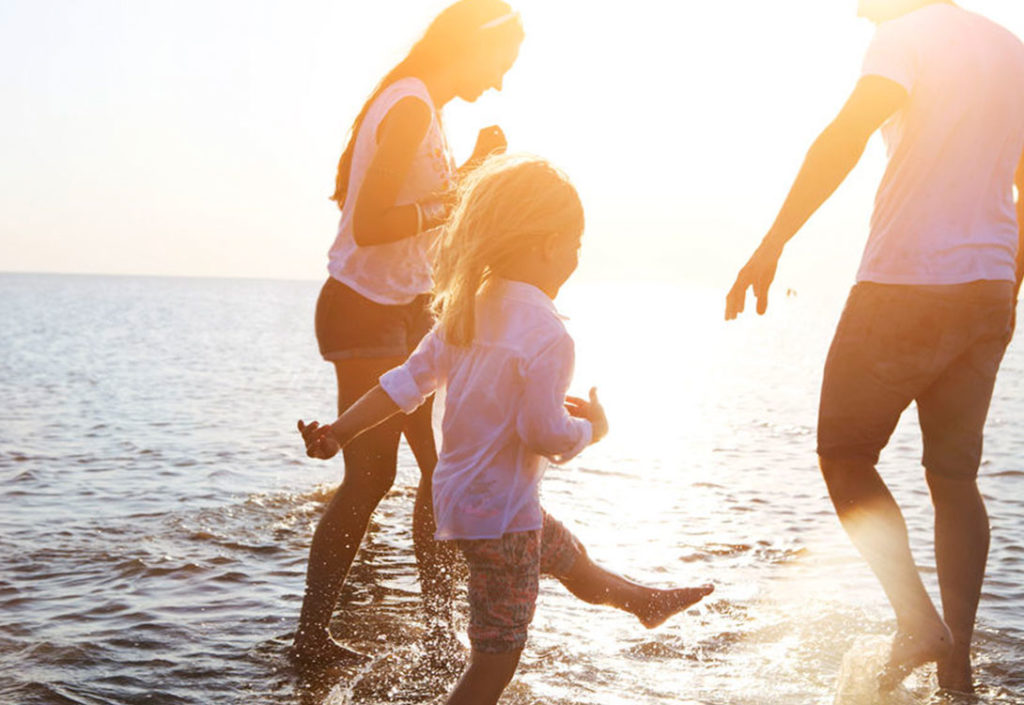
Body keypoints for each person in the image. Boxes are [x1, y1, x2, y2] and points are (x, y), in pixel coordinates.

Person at [300, 155, 714, 705]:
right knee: (494, 664)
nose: (575, 259)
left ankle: (642, 603)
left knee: (569, 557)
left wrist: (339, 432)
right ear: (547, 246)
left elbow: (402, 386)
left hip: (463, 505)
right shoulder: (548, 334)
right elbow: (544, 433)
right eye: (575, 245)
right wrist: (592, 431)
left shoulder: (465, 311)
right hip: (502, 522)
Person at [725, 0, 1024, 693]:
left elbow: (845, 136)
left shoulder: (902, 38)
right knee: (954, 480)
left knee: (846, 454)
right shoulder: (1011, 48)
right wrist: (1007, 280)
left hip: (907, 281)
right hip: (988, 285)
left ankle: (917, 620)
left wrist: (771, 245)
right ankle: (957, 670)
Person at [295, 0, 526, 668]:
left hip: (406, 307)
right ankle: (311, 640)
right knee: (372, 477)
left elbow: (413, 210)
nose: (501, 82)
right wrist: (456, 195)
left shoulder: (425, 108)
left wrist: (469, 171)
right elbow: (369, 222)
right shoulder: (410, 105)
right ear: (473, 45)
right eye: (501, 64)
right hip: (363, 307)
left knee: (441, 467)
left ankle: (441, 634)